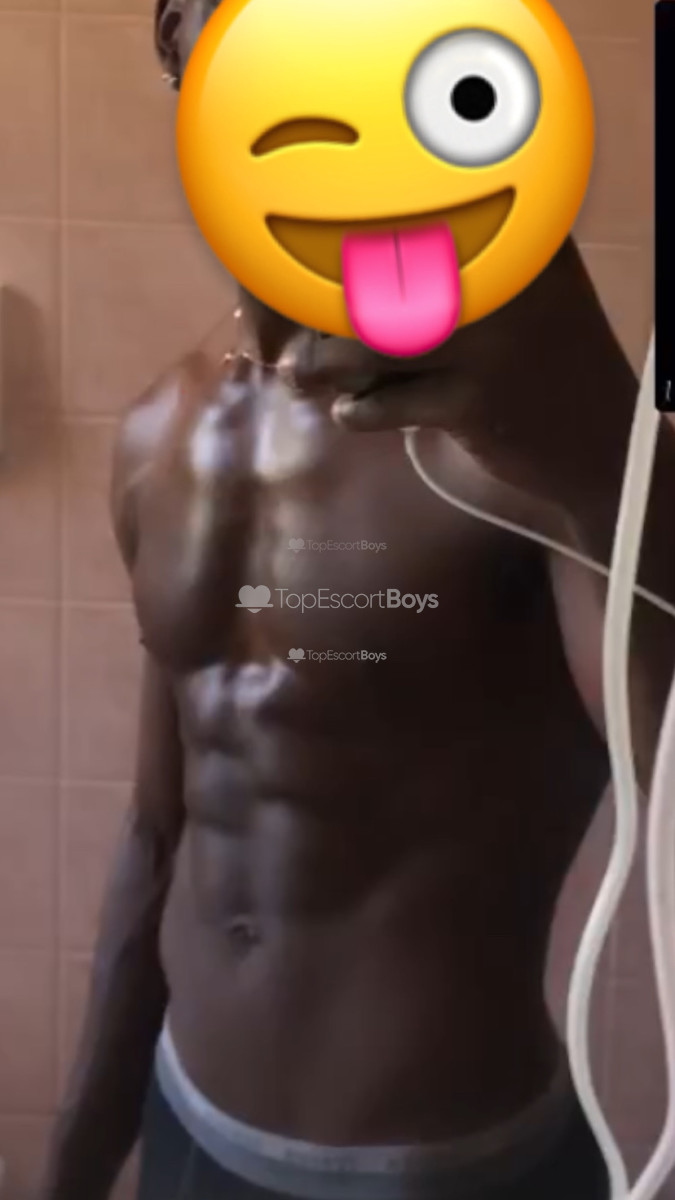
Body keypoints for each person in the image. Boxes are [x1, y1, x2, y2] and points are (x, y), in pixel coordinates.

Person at [39, 3, 675, 1197]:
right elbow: (158, 831)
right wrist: (78, 1151)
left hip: (451, 1171)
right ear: (181, 49)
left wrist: (612, 468)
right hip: (184, 1124)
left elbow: (665, 793)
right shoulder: (162, 429)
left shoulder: (518, 445)